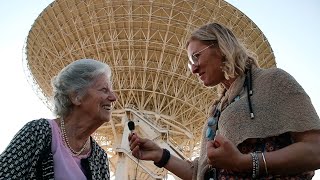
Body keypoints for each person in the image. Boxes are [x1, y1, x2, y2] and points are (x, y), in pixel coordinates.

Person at [128, 22, 320, 179]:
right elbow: (203, 173)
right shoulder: (218, 109)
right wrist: (161, 155)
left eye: (196, 56)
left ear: (221, 47)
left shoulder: (273, 81)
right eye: (190, 62)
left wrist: (244, 163)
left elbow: (315, 149)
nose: (193, 69)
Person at [0, 59, 117, 179]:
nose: (114, 98)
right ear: (76, 96)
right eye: (104, 89)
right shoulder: (38, 132)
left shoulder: (100, 158)